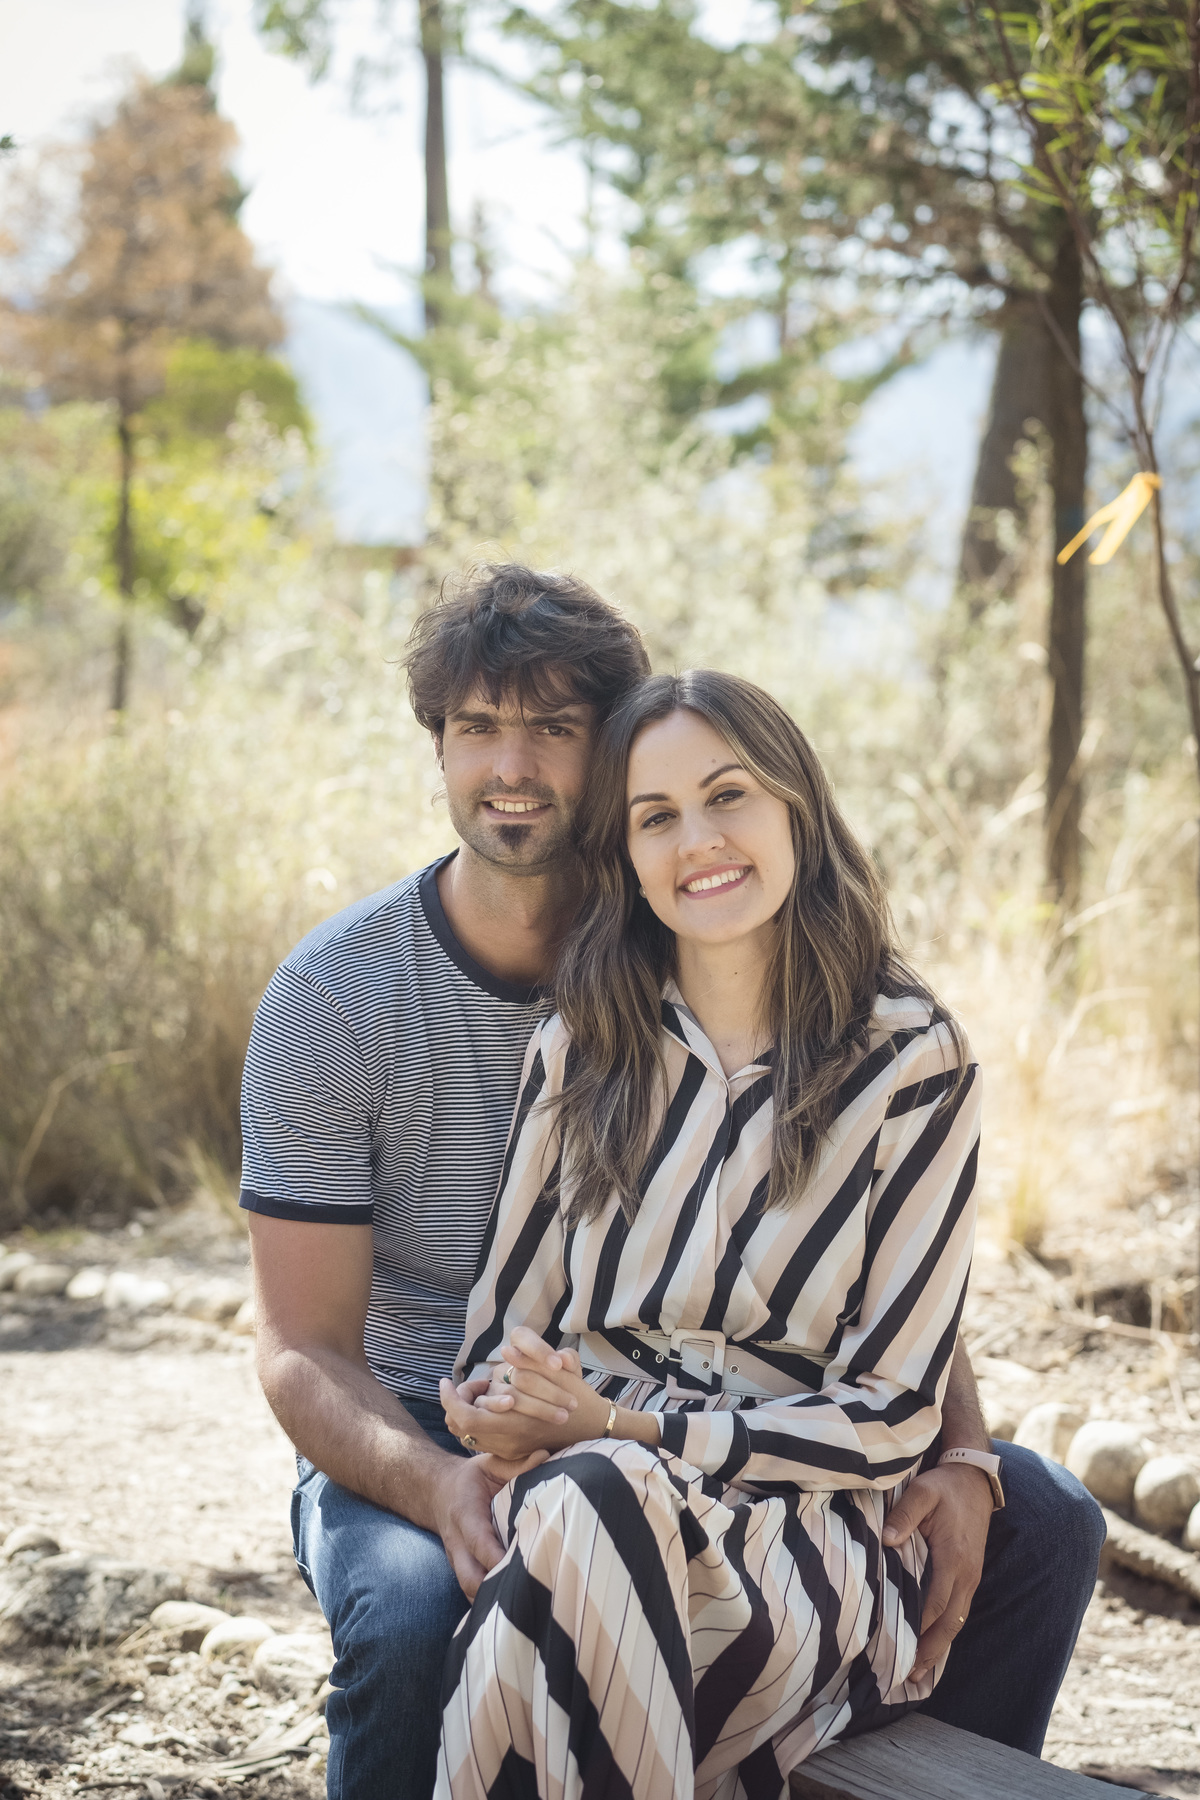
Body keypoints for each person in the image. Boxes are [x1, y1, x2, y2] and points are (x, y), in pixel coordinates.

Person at [242, 567, 1104, 1800]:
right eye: (478, 727)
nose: (512, 765)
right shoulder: (350, 1000)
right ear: (435, 746)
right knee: (415, 1610)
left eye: (553, 726)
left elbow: (863, 1265)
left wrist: (958, 1453)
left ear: (609, 755)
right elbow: (298, 1346)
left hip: (727, 1430)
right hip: (436, 1420)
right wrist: (453, 1478)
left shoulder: (690, 911)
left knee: (1047, 1517)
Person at [436, 669, 977, 1798]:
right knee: (589, 1516)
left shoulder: (913, 1062)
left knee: (569, 1557)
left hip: (802, 1549)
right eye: (657, 816)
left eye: (728, 795)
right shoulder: (581, 1047)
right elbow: (498, 1340)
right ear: (626, 857)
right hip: (584, 1513)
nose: (700, 840)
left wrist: (622, 1423)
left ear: (795, 808)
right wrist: (498, 1405)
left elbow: (891, 1418)